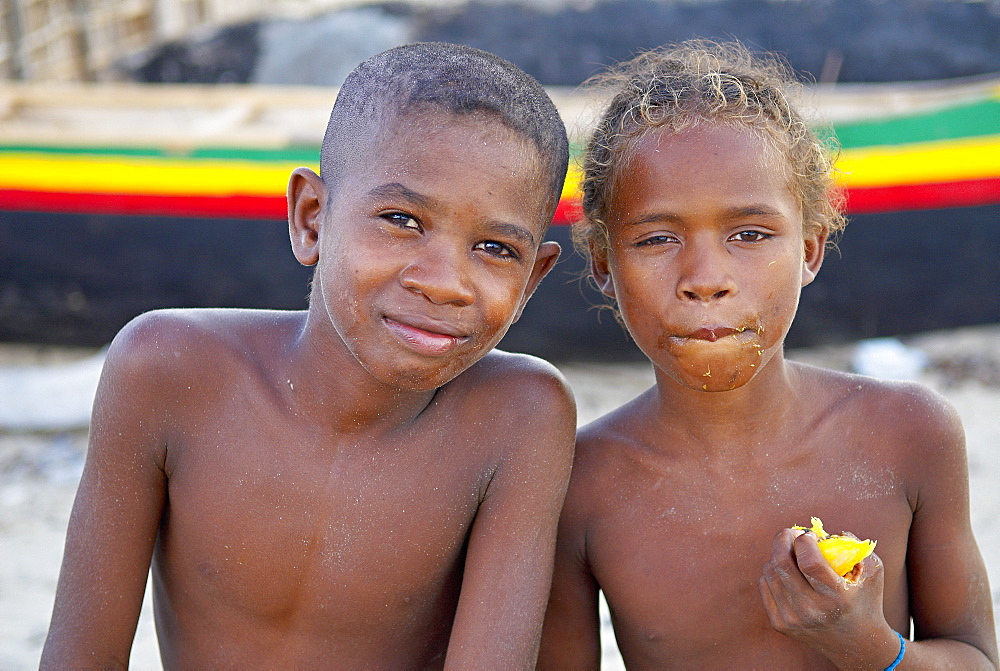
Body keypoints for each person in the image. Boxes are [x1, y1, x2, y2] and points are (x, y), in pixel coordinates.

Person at [41, 42, 577, 669]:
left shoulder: (518, 417)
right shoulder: (166, 368)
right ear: (311, 218)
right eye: (402, 219)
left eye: (495, 248)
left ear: (531, 281)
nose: (444, 282)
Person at [538, 40, 998, 669]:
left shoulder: (909, 433)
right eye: (657, 238)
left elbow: (976, 657)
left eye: (749, 234)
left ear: (810, 248)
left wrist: (870, 650)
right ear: (602, 266)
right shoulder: (580, 483)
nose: (706, 277)